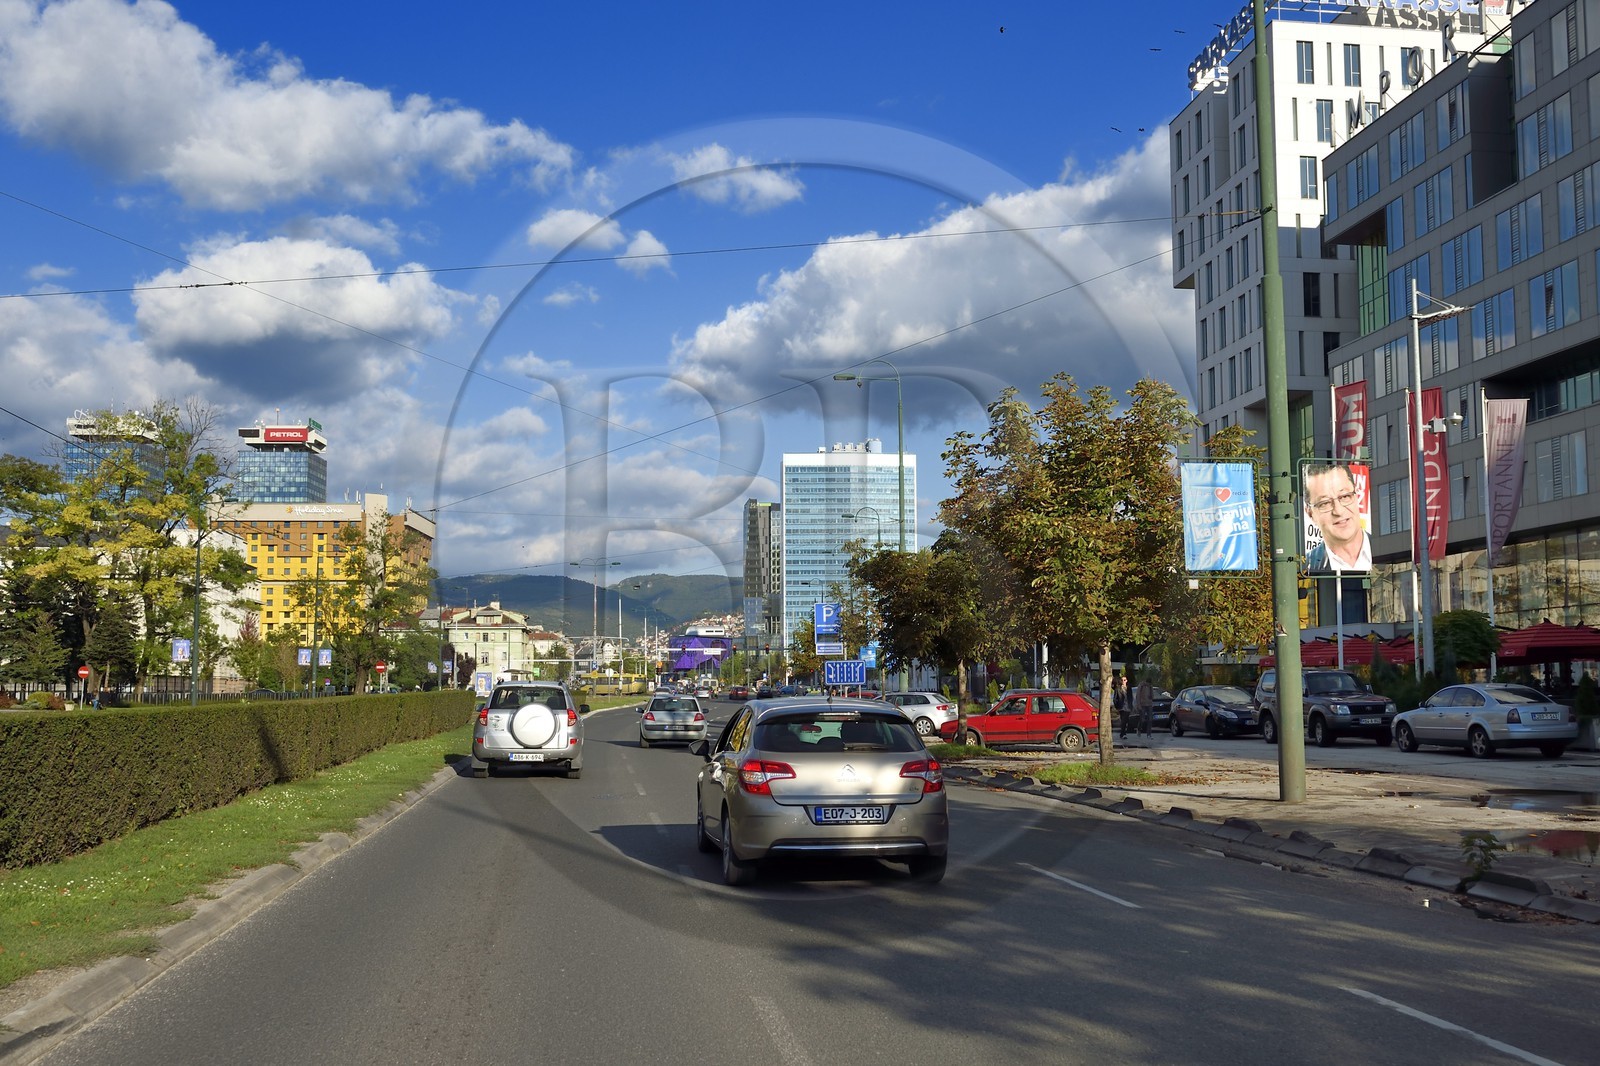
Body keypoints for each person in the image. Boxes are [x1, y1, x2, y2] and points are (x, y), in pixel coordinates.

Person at [1302, 461, 1372, 573]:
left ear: (1357, 496)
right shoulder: (1307, 566)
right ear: (1310, 514)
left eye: (1345, 497)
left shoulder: (1386, 550)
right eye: (1325, 503)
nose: (1338, 511)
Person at [1114, 675, 1130, 739]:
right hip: (1121, 707)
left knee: (1125, 721)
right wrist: (1117, 706)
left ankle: (1122, 733)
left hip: (1128, 706)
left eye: (1124, 680)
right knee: (1123, 720)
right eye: (1122, 680)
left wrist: (1131, 705)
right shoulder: (1118, 689)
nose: (1123, 681)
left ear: (1126, 681)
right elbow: (1115, 698)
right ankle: (1123, 734)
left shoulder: (1128, 688)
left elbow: (1131, 697)